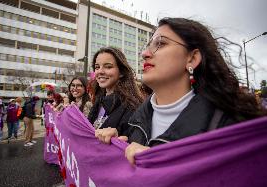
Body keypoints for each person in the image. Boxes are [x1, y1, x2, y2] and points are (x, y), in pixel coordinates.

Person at [95, 18, 267, 165]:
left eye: (160, 44)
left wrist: (162, 164)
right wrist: (118, 144)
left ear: (192, 58)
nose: (145, 54)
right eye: (147, 47)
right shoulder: (135, 121)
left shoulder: (229, 126)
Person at [88, 47, 143, 136]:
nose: (100, 71)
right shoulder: (99, 101)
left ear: (121, 72)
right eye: (97, 67)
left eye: (108, 67)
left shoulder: (132, 108)